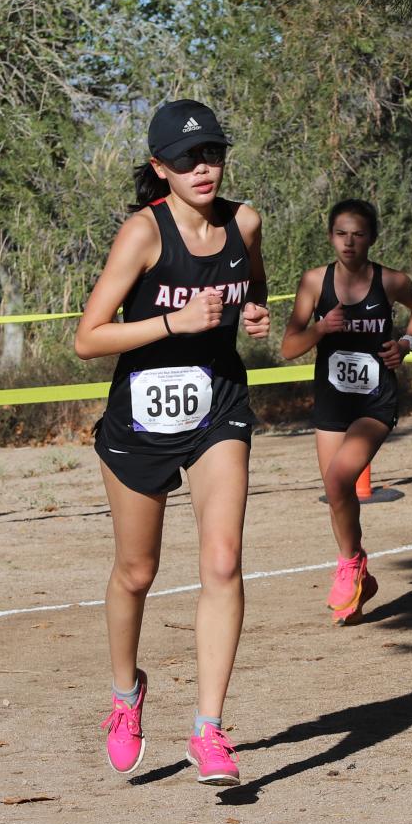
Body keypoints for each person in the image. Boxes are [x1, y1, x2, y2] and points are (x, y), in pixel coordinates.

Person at [74, 99, 270, 787]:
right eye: (185, 159)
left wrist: (252, 313)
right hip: (141, 418)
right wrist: (174, 323)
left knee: (222, 561)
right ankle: (126, 695)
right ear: (160, 168)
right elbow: (87, 338)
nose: (202, 169)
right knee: (137, 571)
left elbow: (252, 288)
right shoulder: (142, 234)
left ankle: (208, 730)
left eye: (211, 154)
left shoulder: (245, 222)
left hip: (218, 405)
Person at [281, 199, 412, 625]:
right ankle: (358, 585)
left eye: (358, 234)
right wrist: (320, 328)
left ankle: (349, 565)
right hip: (331, 399)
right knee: (337, 494)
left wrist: (406, 344)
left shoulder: (391, 281)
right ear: (330, 236)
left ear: (372, 238)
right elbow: (289, 347)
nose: (349, 242)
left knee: (337, 478)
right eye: (341, 233)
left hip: (374, 401)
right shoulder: (314, 281)